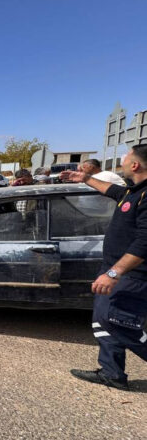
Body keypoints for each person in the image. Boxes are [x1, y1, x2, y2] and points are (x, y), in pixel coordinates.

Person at [60, 144, 147, 391]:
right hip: (114, 270)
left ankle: (113, 372)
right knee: (102, 321)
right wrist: (86, 178)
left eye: (126, 156)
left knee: (119, 323)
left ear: (135, 165)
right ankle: (112, 373)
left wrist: (113, 273)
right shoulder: (134, 191)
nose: (122, 159)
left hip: (131, 275)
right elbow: (114, 191)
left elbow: (144, 243)